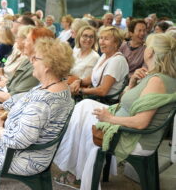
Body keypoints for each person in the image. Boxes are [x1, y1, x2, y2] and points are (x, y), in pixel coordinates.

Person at [54, 33, 176, 189]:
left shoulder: (157, 81)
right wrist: (132, 84)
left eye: (146, 46)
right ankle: (76, 169)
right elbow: (128, 101)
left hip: (132, 137)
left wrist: (109, 118)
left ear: (150, 52)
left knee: (82, 121)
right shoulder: (156, 76)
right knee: (83, 107)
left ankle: (77, 172)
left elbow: (141, 123)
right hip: (126, 127)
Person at [0, 37, 74, 190]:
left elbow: (18, 141)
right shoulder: (57, 87)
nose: (31, 60)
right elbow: (22, 98)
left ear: (48, 65)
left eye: (35, 58)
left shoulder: (43, 102)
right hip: (30, 153)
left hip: (23, 158)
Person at [70, 26, 129, 98]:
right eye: (101, 38)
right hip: (95, 97)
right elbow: (93, 77)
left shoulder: (117, 60)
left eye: (106, 39)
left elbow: (103, 91)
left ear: (116, 43)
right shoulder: (104, 56)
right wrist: (79, 81)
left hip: (105, 102)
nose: (101, 42)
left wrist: (80, 90)